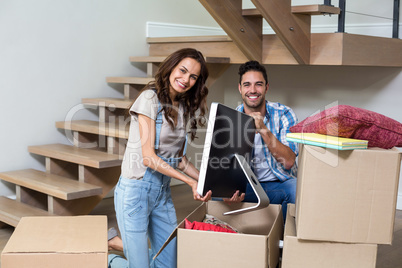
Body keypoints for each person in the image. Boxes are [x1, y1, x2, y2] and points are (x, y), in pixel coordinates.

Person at [108, 48, 212, 268]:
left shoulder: (183, 106)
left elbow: (180, 158)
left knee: (168, 264)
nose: (186, 80)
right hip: (135, 192)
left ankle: (121, 245)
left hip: (161, 193)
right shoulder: (149, 98)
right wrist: (189, 182)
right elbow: (149, 158)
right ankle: (109, 260)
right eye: (182, 71)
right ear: (171, 67)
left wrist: (205, 180)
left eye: (193, 76)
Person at [234, 60, 298, 221]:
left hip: (277, 185)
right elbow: (225, 163)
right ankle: (233, 242)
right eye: (247, 85)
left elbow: (289, 161)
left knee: (296, 190)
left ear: (266, 87)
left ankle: (285, 243)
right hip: (246, 187)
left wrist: (262, 128)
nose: (253, 90)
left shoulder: (284, 114)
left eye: (258, 84)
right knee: (218, 195)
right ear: (240, 88)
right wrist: (228, 189)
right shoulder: (231, 118)